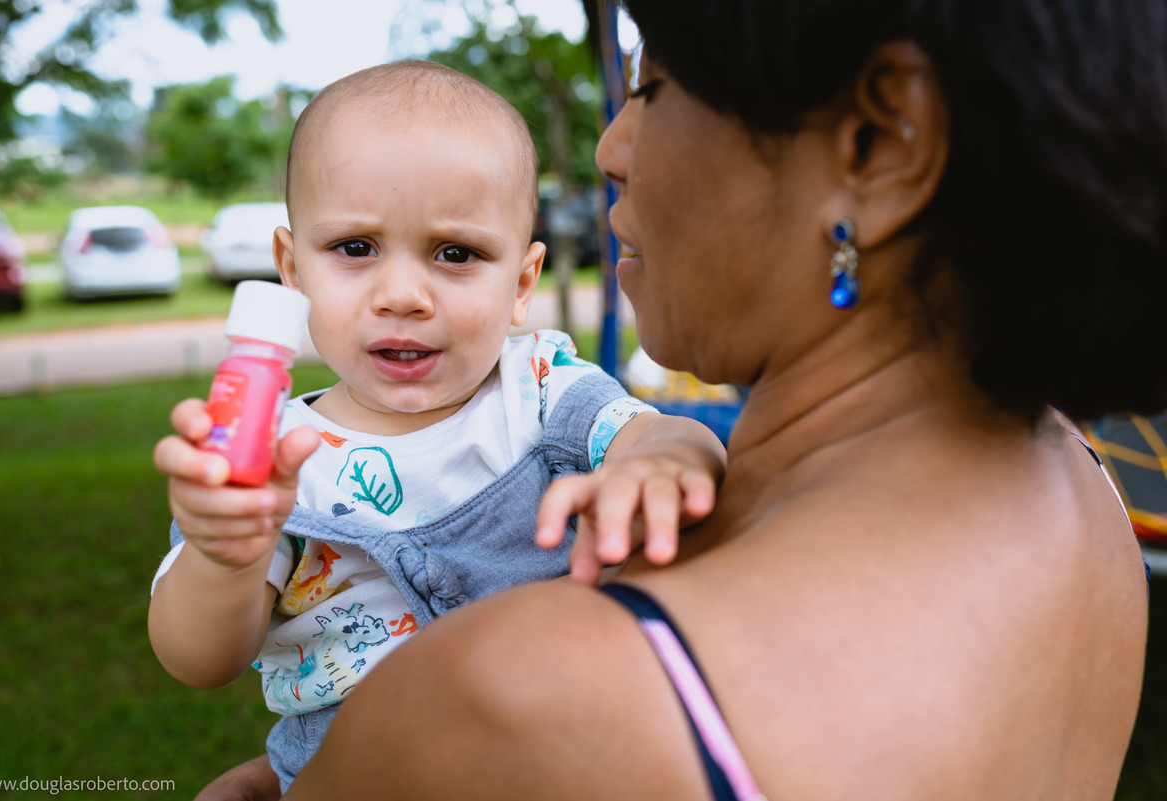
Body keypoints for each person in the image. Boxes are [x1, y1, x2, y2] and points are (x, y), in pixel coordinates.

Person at [272, 1, 1163, 799]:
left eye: (651, 86)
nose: (610, 147)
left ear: (879, 145)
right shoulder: (1085, 491)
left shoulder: (531, 697)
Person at [148, 60, 728, 795]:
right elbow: (199, 658)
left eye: (456, 254)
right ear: (293, 271)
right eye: (356, 248)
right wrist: (221, 554)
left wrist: (665, 457)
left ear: (521, 284)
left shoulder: (541, 391)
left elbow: (668, 436)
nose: (402, 295)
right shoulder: (273, 459)